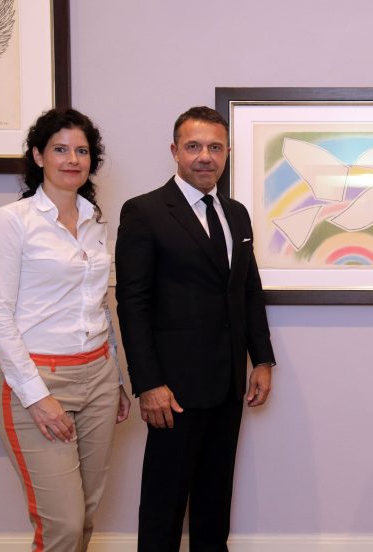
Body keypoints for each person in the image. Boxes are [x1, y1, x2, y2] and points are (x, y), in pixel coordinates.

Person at [115, 106, 276, 551]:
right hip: (173, 392)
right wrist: (148, 384)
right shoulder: (144, 212)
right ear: (174, 151)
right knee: (164, 508)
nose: (204, 156)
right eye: (193, 147)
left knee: (214, 503)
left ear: (226, 153)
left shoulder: (237, 214)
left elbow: (248, 290)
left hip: (227, 384)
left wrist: (261, 358)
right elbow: (132, 303)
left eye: (214, 147)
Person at [0, 108, 131, 551]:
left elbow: (101, 305)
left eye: (81, 150)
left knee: (85, 514)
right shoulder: (12, 221)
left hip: (99, 377)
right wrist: (38, 397)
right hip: (38, 381)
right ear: (38, 155)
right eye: (60, 149)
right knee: (62, 524)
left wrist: (117, 379)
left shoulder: (95, 223)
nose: (72, 159)